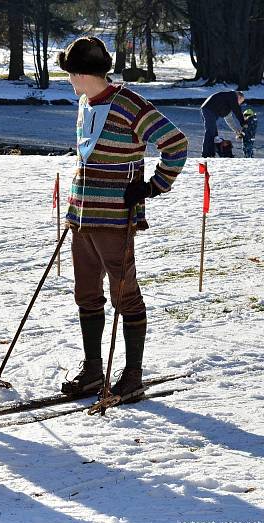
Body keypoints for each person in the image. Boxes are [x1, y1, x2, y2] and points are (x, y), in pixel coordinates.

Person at [56, 37, 188, 402]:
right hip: (81, 215)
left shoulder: (129, 104)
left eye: (70, 73)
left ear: (81, 73)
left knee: (125, 294)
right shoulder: (86, 103)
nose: (68, 80)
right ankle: (93, 371)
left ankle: (132, 374)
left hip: (116, 216)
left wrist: (152, 186)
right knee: (86, 293)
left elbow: (175, 143)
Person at [200, 90, 246, 158]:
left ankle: (212, 154)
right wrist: (243, 123)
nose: (239, 104)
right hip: (208, 110)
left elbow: (229, 119)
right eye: (241, 101)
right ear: (238, 97)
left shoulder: (228, 101)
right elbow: (237, 110)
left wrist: (236, 131)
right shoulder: (232, 96)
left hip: (207, 110)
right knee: (210, 132)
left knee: (215, 136)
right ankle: (206, 155)